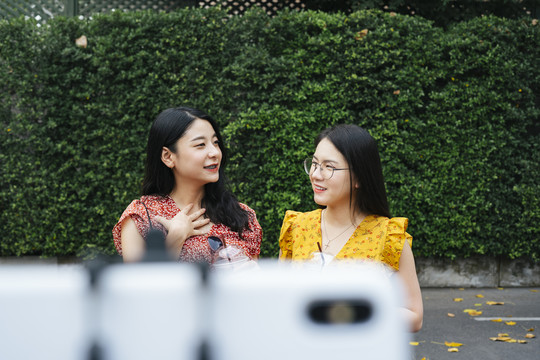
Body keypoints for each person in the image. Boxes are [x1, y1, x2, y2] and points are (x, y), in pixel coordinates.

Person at [279, 124, 423, 332]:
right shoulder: (297, 226)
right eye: (314, 163)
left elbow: (414, 317)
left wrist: (354, 308)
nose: (316, 175)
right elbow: (281, 297)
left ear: (358, 177)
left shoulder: (388, 236)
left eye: (329, 167)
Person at [113, 106, 262, 263]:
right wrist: (175, 238)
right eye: (200, 145)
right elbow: (138, 285)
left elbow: (253, 282)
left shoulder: (242, 216)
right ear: (168, 156)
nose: (215, 152)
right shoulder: (142, 217)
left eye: (215, 142)